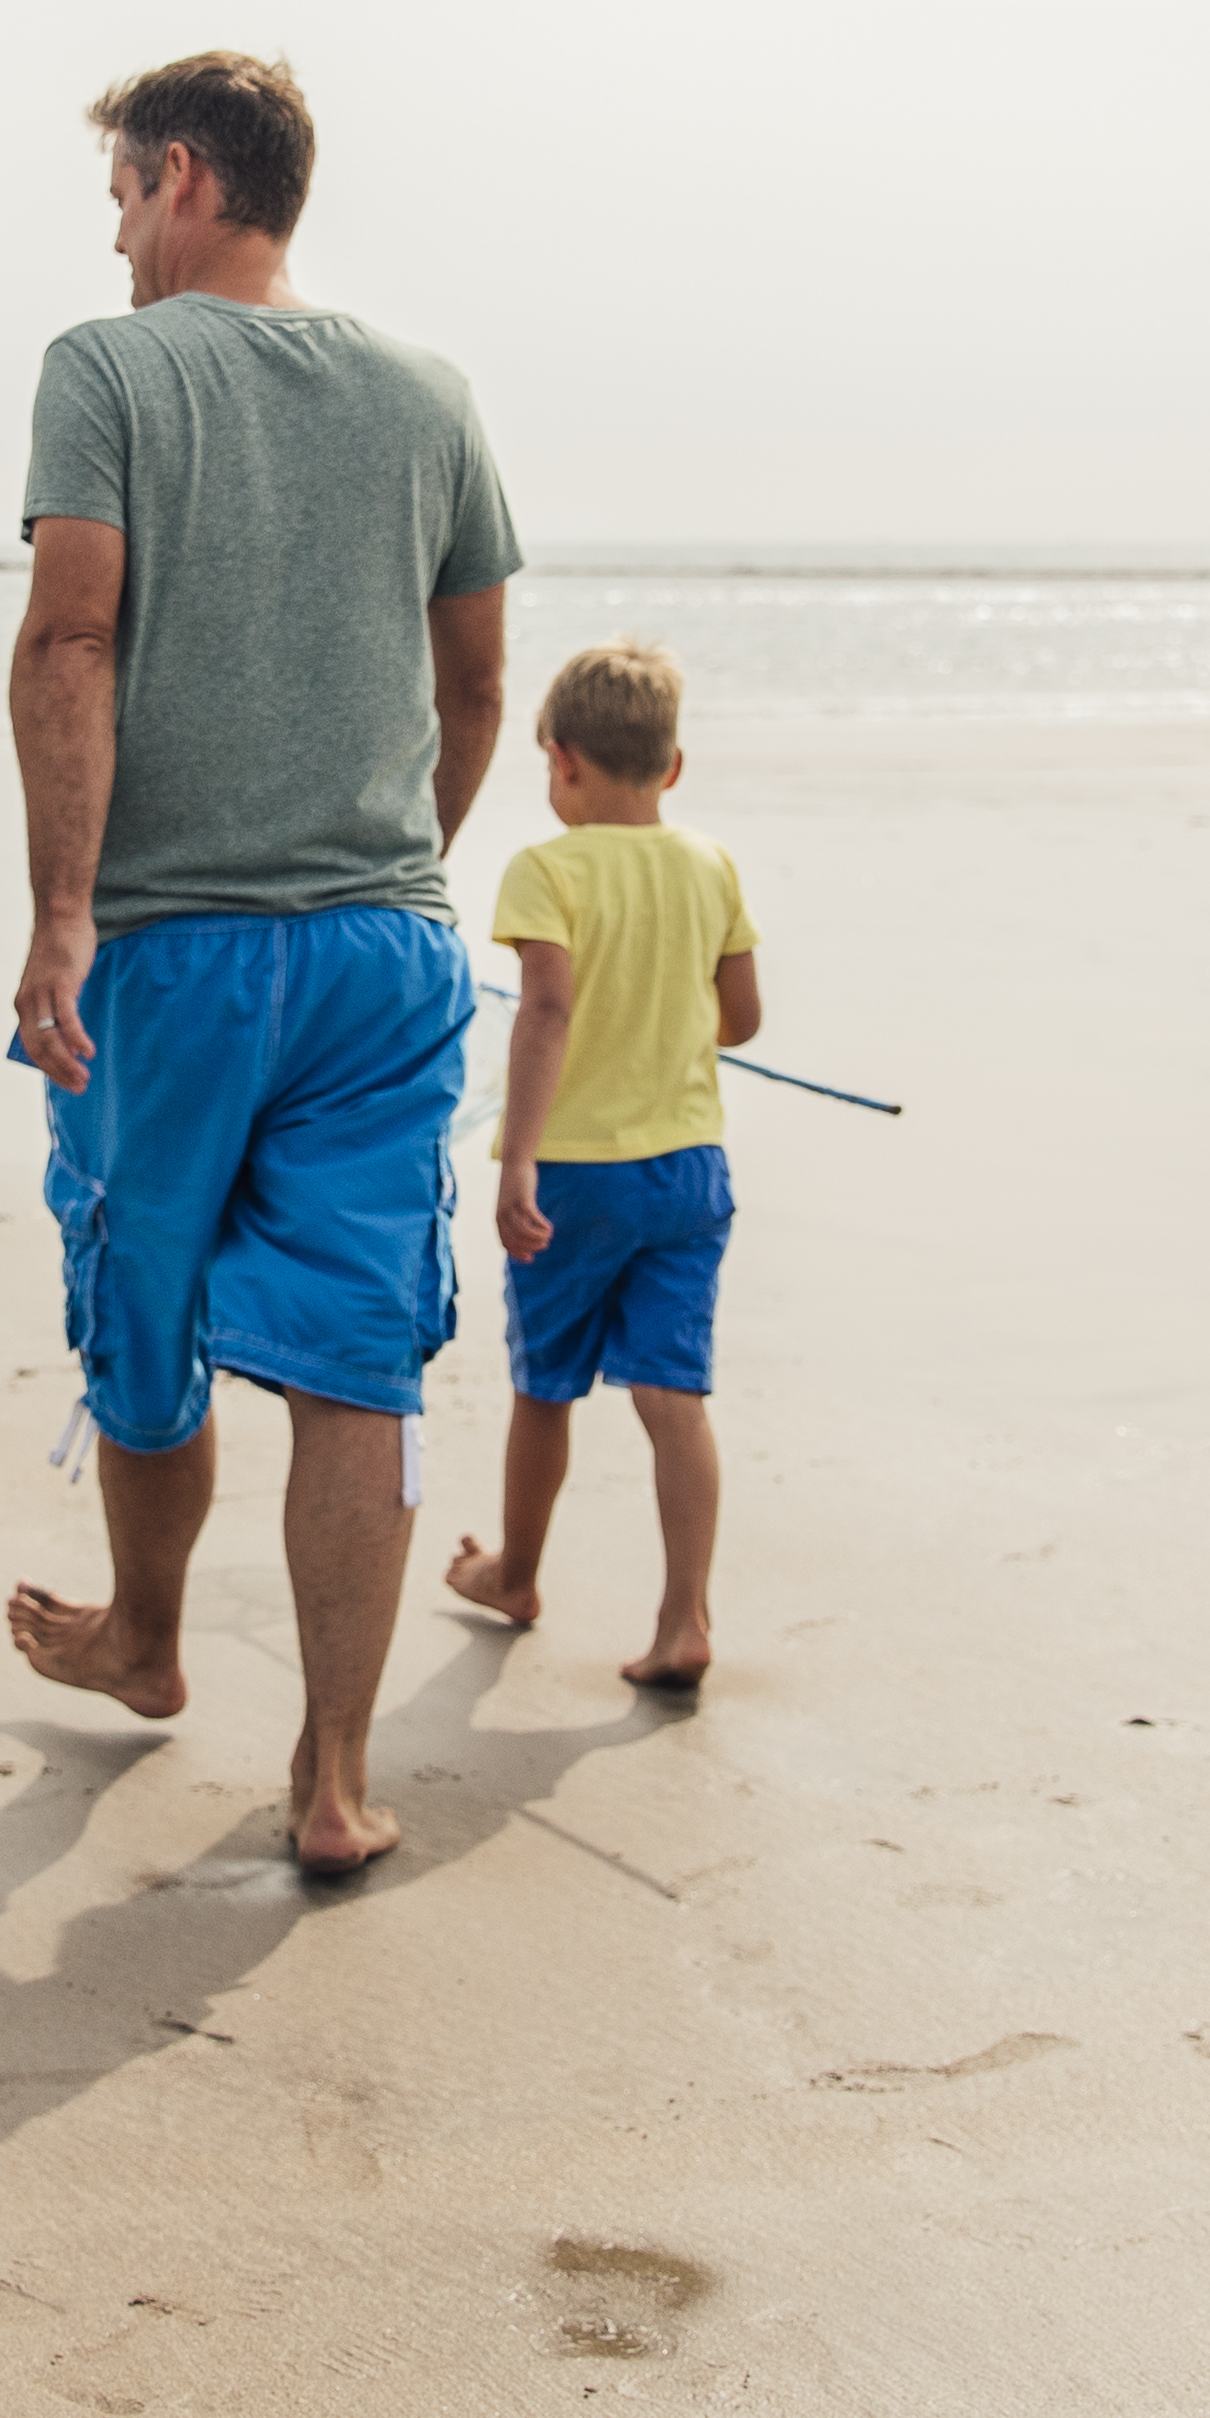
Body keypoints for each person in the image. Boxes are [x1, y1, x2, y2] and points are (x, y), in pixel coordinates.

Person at [0, 53, 520, 1874]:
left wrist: (65, 909)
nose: (120, 240)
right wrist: (388, 871)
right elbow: (470, 689)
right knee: (357, 1364)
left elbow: (70, 634)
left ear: (185, 177)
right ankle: (332, 1777)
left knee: (146, 1319)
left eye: (126, 197)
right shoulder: (428, 391)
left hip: (169, 950)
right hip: (385, 949)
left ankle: (146, 1637)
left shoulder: (107, 365)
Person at [439, 643, 759, 1688]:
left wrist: (515, 1161)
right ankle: (684, 1617)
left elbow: (546, 1010)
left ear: (562, 760)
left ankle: (516, 1573)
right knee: (673, 1393)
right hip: (688, 1173)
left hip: (577, 1175)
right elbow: (742, 1021)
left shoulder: (547, 868)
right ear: (671, 766)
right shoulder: (711, 862)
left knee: (546, 1386)